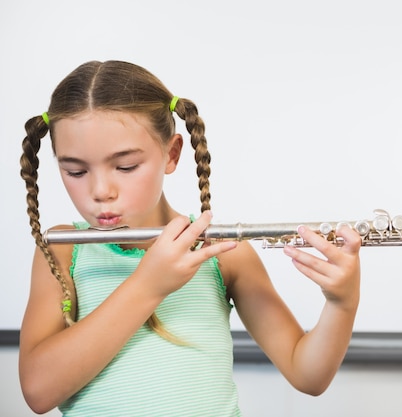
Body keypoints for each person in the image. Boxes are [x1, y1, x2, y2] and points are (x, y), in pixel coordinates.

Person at [18, 60, 361, 416]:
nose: (100, 191)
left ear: (172, 153)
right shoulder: (62, 249)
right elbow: (39, 392)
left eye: (125, 167)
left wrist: (342, 302)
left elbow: (307, 375)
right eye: (75, 170)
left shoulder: (222, 253)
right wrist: (149, 285)